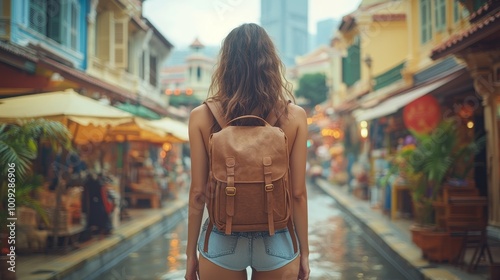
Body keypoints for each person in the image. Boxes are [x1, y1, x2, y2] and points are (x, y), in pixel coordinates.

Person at [185, 23, 310, 280]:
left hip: (221, 239)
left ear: (225, 66)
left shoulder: (201, 116)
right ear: (271, 64)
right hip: (278, 239)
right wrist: (305, 253)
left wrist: (189, 256)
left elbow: (198, 193)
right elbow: (298, 194)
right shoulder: (294, 116)